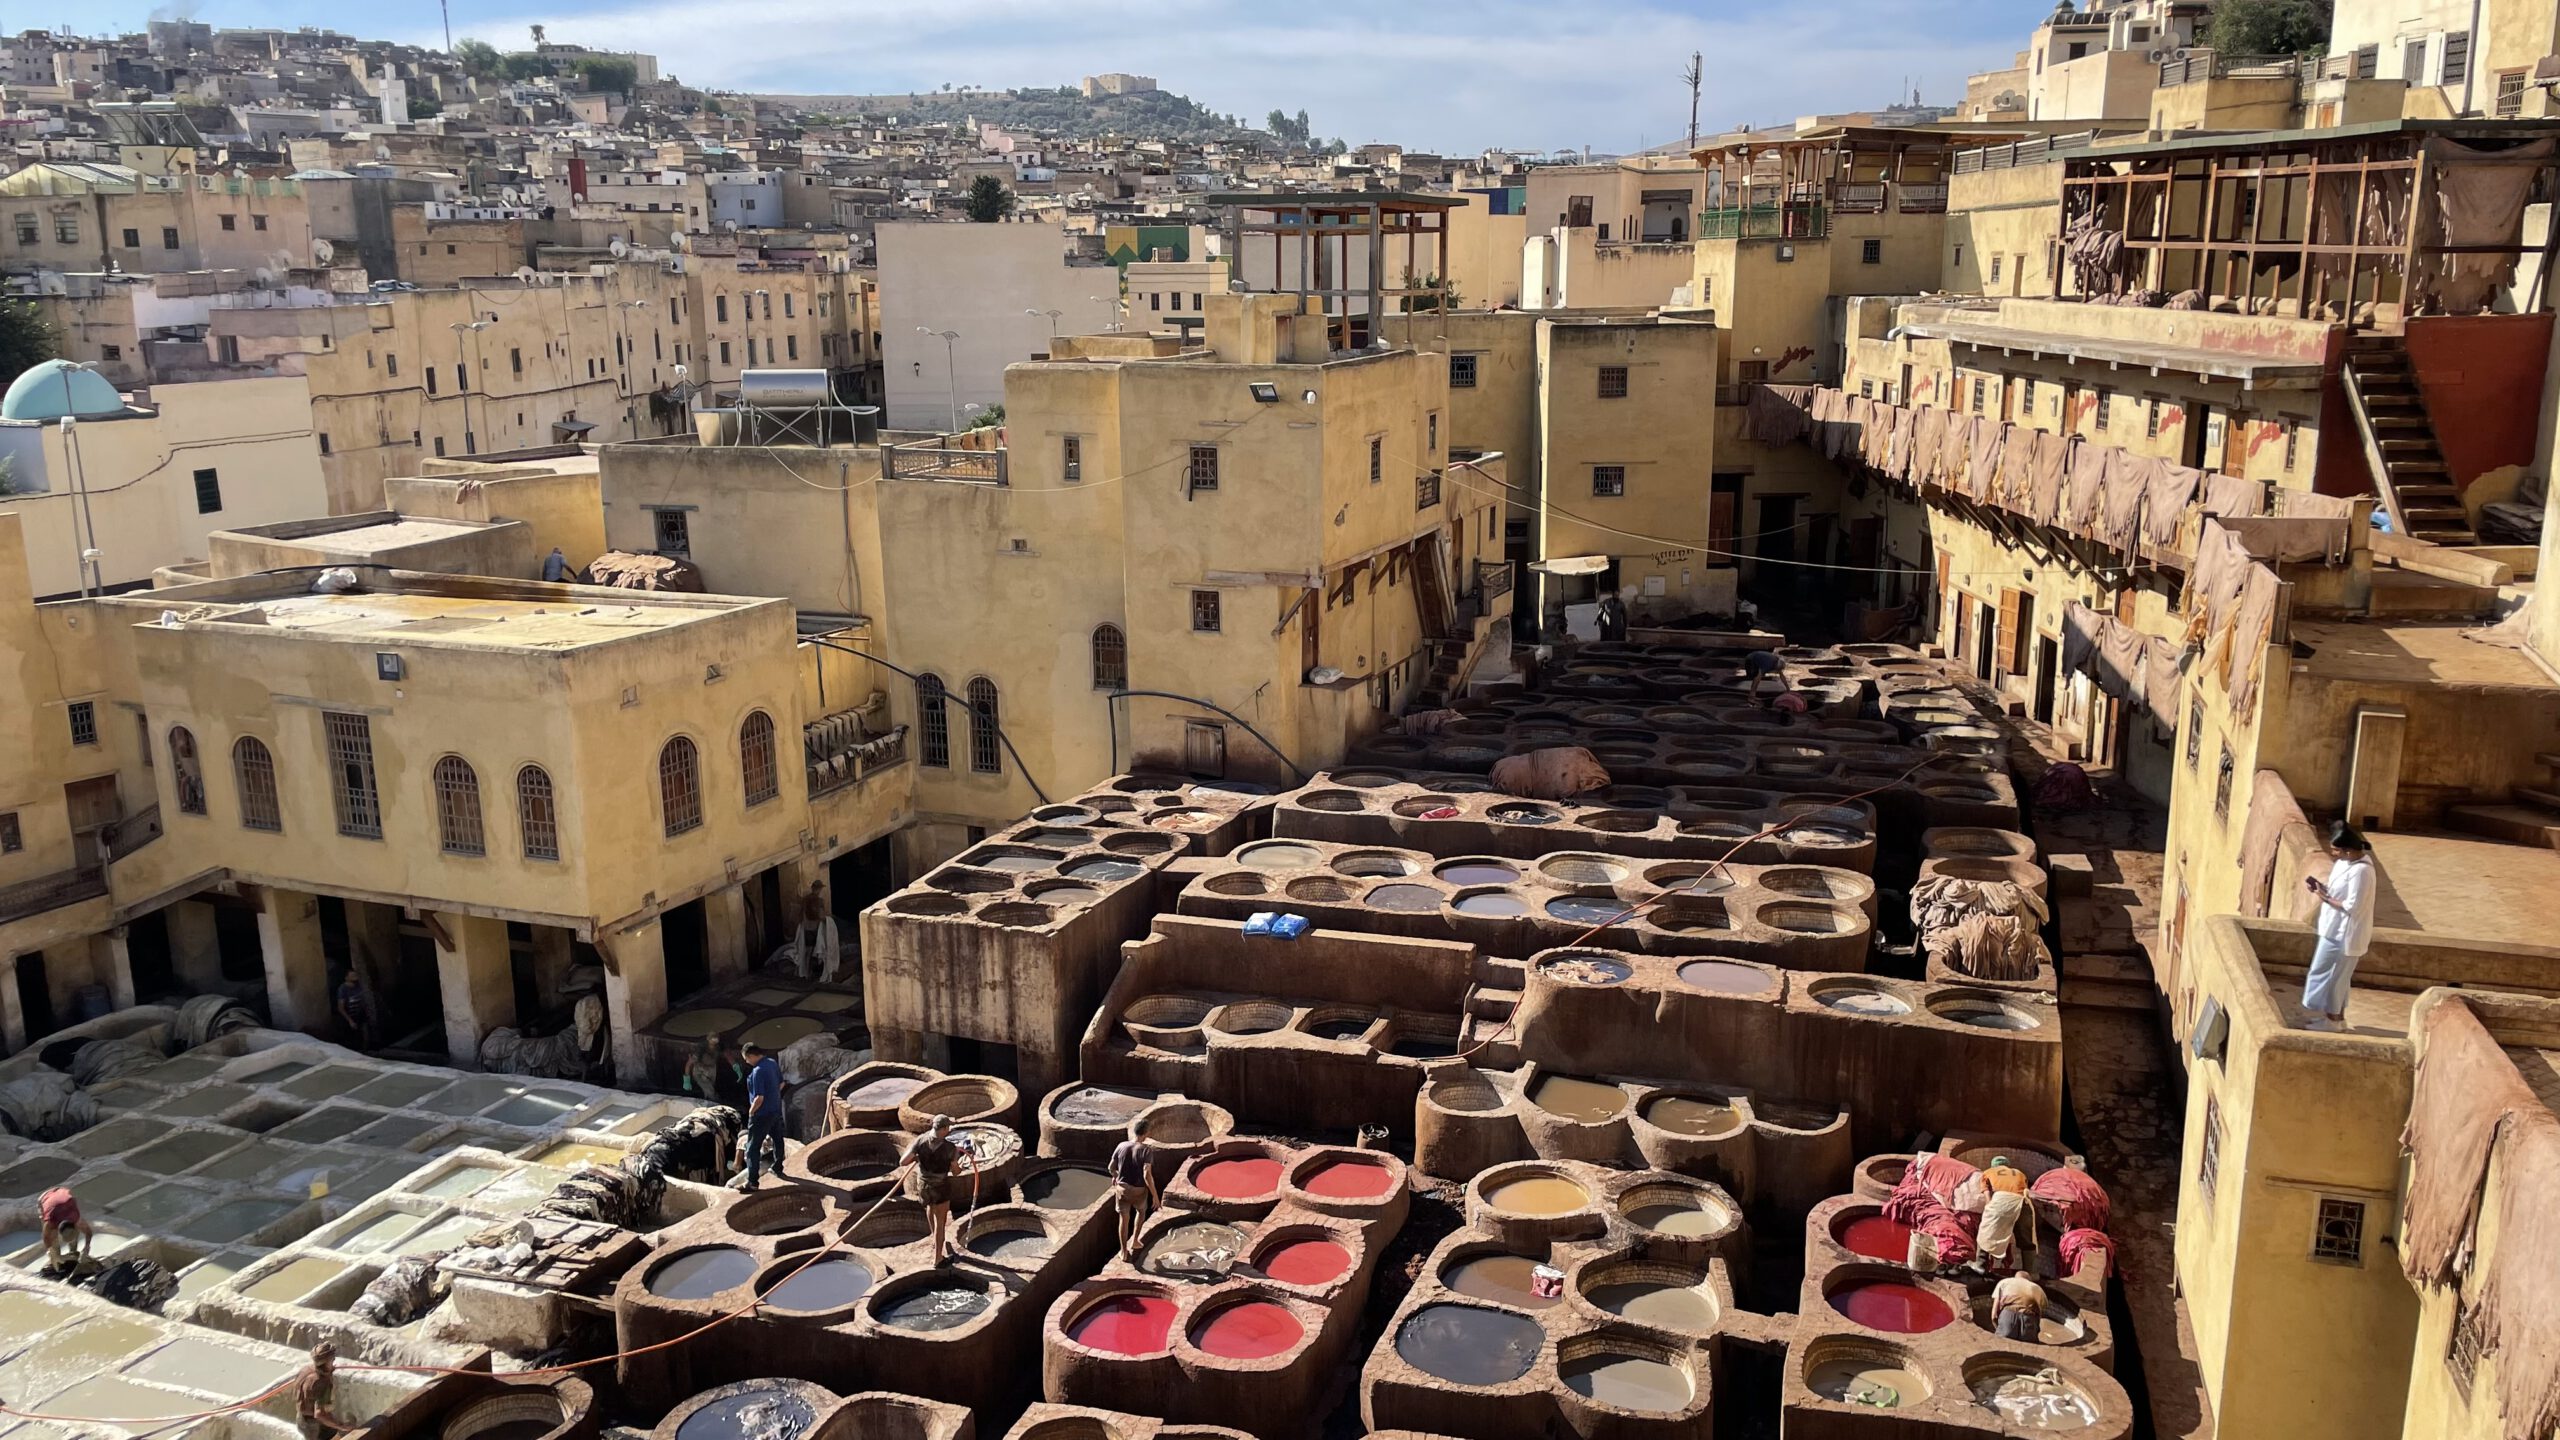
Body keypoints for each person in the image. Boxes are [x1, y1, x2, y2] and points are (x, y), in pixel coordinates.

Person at [2300, 820, 2377, 1031]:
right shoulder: (2345, 863)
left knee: (2335, 977)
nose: (2333, 854)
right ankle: (2336, 1019)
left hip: (2345, 934)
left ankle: (2332, 1021)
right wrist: (2322, 889)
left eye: (2336, 850)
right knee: (2327, 973)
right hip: (2332, 928)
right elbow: (2338, 891)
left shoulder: (2362, 871)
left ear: (2348, 850)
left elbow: (2353, 906)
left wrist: (2324, 897)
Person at [904, 1115, 963, 1263]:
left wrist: (918, 1158)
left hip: (923, 1185)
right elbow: (956, 1172)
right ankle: (938, 1259)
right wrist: (959, 1164)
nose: (949, 1130)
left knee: (930, 1208)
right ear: (943, 1129)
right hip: (940, 1188)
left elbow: (903, 1161)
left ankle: (934, 1239)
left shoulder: (920, 1140)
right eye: (947, 1128)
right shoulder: (950, 1148)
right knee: (940, 1223)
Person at [738, 1042, 785, 1188]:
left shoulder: (758, 1071)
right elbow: (781, 1084)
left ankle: (752, 1182)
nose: (747, 1062)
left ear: (751, 1056)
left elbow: (759, 1097)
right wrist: (773, 1097)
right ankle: (778, 1167)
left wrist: (751, 1112)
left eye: (746, 1059)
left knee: (752, 1147)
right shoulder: (772, 1063)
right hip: (775, 1109)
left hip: (762, 1114)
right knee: (778, 1139)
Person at [1107, 1132, 1158, 1261]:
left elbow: (1110, 1168)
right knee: (1141, 1212)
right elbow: (1147, 1175)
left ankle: (1123, 1251)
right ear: (1146, 1134)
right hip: (1138, 1191)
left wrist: (1116, 1176)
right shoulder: (1146, 1150)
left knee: (1123, 1220)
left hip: (1122, 1189)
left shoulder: (1121, 1145)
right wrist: (1155, 1196)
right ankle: (1135, 1241)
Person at [295, 1341, 351, 1440]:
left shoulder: (305, 1370)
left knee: (331, 1431)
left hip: (301, 1419)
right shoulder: (322, 1382)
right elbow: (319, 1414)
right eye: (332, 1359)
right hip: (313, 1426)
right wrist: (341, 1426)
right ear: (327, 1361)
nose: (334, 1361)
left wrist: (329, 1370)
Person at [788, 888, 842, 983]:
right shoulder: (816, 901)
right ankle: (808, 974)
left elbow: (806, 916)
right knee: (811, 953)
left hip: (810, 930)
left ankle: (808, 973)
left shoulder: (808, 901)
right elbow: (820, 916)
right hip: (811, 931)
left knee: (809, 953)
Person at [39, 1186, 90, 1274]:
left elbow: (88, 1232)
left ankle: (73, 1256)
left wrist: (86, 1247)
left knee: (73, 1241)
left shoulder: (75, 1217)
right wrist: (50, 1251)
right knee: (53, 1241)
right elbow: (46, 1237)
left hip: (62, 1193)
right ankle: (57, 1262)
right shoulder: (51, 1220)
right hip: (45, 1198)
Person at [1991, 1273, 2047, 1342]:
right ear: (2029, 1280)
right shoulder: (2036, 1287)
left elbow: (1994, 1315)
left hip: (2008, 1316)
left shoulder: (2004, 1282)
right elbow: (2040, 1312)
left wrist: (1999, 1328)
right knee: (2028, 1345)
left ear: (2015, 1277)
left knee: (2001, 1343)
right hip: (2029, 1318)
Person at [334, 970, 377, 1051]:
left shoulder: (359, 986)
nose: (355, 977)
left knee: (365, 1034)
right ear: (346, 978)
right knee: (353, 1039)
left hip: (360, 1015)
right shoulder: (342, 989)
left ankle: (365, 1050)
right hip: (349, 1016)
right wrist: (350, 1021)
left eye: (355, 975)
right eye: (352, 975)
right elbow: (340, 1008)